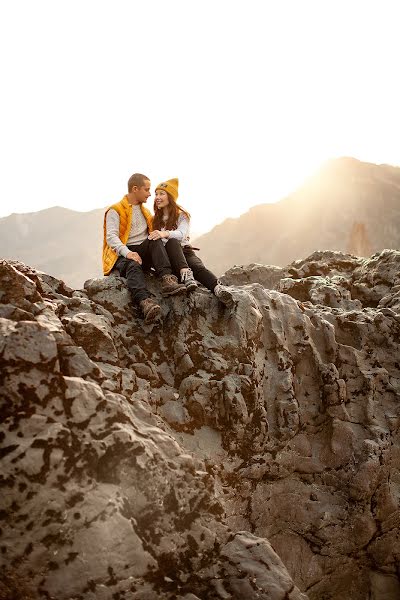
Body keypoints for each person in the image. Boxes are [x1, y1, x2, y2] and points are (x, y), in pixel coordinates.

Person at [102, 173, 185, 324]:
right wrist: (128, 253)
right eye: (146, 190)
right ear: (135, 189)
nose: (149, 194)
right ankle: (145, 303)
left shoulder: (146, 212)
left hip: (143, 250)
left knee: (155, 238)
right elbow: (111, 237)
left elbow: (159, 234)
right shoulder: (115, 210)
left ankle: (167, 279)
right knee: (133, 265)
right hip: (122, 254)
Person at [148, 178, 234, 307]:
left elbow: (182, 234)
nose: (157, 197)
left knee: (197, 266)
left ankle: (218, 289)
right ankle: (185, 275)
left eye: (161, 194)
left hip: (184, 252)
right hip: (167, 257)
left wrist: (164, 233)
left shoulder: (182, 216)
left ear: (170, 197)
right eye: (156, 194)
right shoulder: (154, 219)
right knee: (171, 243)